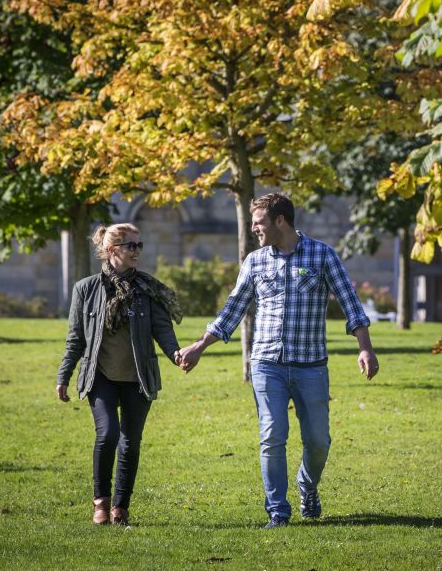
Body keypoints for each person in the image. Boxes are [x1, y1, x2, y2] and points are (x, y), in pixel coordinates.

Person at [176, 192, 379, 528]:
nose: (254, 229)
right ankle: (278, 512)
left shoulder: (322, 255)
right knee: (272, 435)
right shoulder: (255, 262)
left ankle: (307, 486)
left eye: (258, 223)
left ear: (279, 221)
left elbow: (351, 303)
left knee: (318, 441)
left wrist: (365, 347)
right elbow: (233, 309)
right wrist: (200, 345)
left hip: (311, 364)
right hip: (266, 363)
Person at [55, 223, 183, 526]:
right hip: (100, 376)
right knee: (108, 432)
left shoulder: (148, 289)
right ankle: (101, 501)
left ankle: (121, 507)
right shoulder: (85, 289)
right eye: (131, 246)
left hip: (138, 377)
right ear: (112, 250)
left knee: (131, 441)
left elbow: (162, 328)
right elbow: (76, 338)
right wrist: (63, 376)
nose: (137, 251)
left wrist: (176, 354)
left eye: (139, 245)